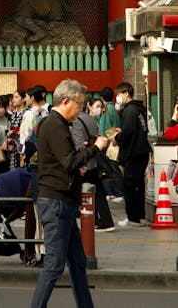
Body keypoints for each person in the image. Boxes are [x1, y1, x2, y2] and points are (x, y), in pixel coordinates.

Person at [29, 78, 111, 308]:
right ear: (66, 101)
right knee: (55, 265)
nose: (82, 109)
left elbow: (66, 161)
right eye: (80, 103)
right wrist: (95, 148)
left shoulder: (56, 124)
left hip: (62, 201)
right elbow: (68, 162)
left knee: (77, 262)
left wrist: (81, 156)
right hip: (56, 202)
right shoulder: (55, 125)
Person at [111, 81, 152, 228]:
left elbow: (127, 132)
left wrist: (116, 138)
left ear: (126, 93)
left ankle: (132, 218)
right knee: (138, 186)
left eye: (119, 94)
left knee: (129, 186)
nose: (117, 98)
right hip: (142, 151)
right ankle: (140, 216)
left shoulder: (129, 111)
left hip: (133, 152)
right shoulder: (140, 109)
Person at [70, 100, 113, 232]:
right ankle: (105, 220)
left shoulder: (77, 121)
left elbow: (79, 145)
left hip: (85, 162)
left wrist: (81, 164)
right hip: (94, 160)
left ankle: (96, 220)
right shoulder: (90, 119)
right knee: (98, 191)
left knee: (85, 192)